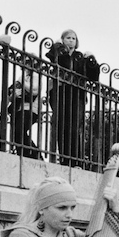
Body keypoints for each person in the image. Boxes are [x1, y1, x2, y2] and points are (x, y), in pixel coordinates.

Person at [45, 30, 100, 167]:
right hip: (60, 92)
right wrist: (59, 46)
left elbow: (93, 76)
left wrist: (91, 60)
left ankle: (76, 161)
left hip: (77, 94)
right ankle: (64, 159)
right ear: (62, 40)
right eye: (68, 38)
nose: (71, 40)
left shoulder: (79, 57)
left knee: (75, 127)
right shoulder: (58, 53)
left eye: (73, 38)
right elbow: (59, 60)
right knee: (62, 126)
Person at [5, 72, 43, 159]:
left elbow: (34, 90)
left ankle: (35, 154)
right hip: (17, 109)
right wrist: (14, 94)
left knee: (19, 131)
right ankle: (23, 154)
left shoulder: (35, 76)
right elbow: (9, 95)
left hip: (30, 109)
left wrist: (22, 81)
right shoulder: (21, 77)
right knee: (16, 133)